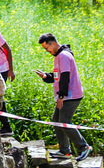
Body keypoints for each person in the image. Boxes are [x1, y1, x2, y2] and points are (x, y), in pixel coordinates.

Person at [35, 33, 92, 162]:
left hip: (71, 95)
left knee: (64, 121)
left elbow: (65, 78)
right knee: (56, 120)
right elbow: (58, 77)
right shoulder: (58, 56)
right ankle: (64, 151)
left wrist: (61, 96)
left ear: (53, 43)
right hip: (65, 95)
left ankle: (84, 147)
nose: (46, 51)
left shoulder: (64, 56)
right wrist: (46, 76)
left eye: (47, 48)